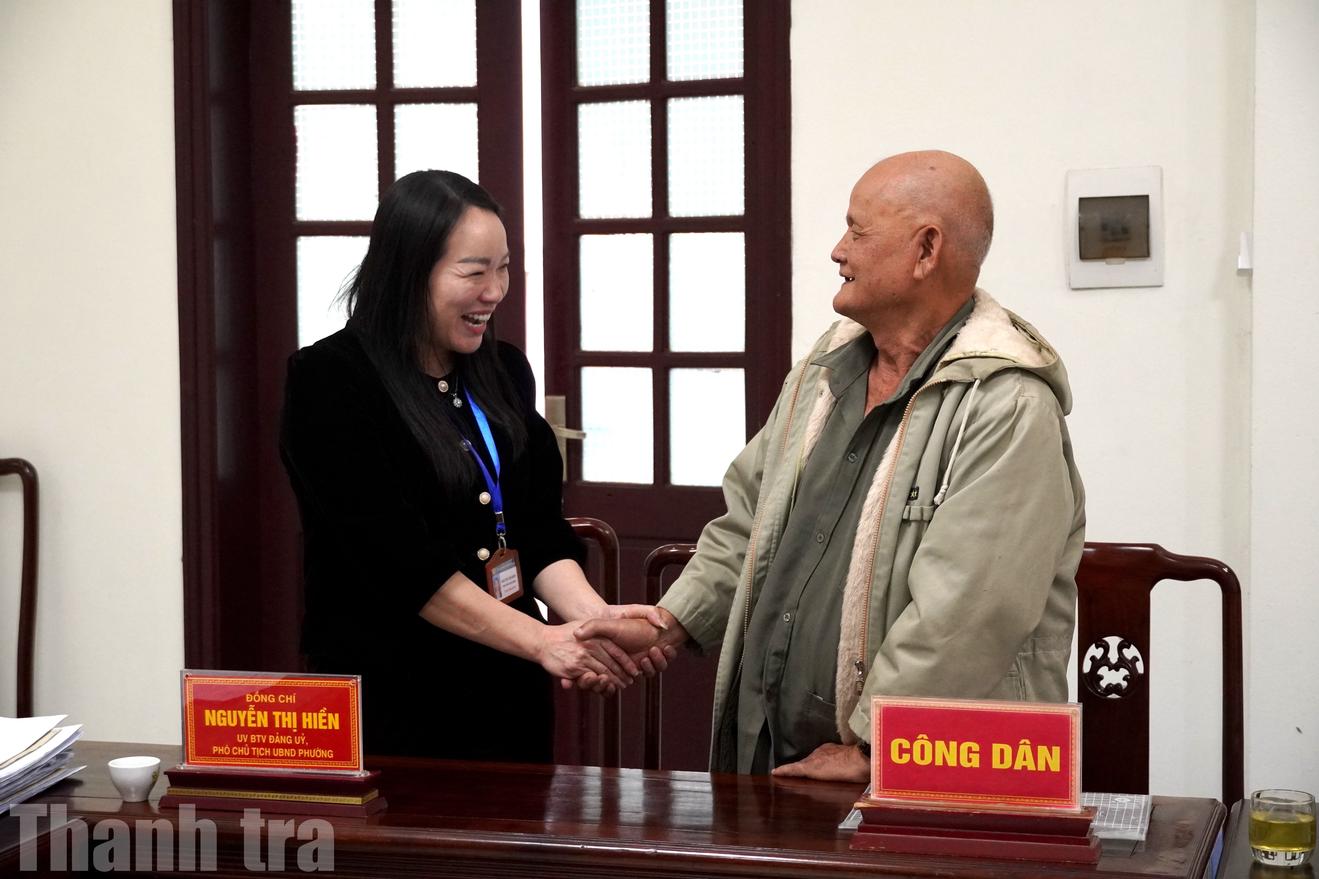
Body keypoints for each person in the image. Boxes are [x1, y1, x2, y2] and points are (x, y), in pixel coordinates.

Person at [577, 150, 1086, 782]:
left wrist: (876, 749)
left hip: (908, 773)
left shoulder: (1006, 405)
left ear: (926, 250)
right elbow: (749, 525)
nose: (838, 251)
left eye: (857, 231)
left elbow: (968, 614)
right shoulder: (825, 370)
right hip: (779, 753)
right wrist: (670, 624)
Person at [280, 170, 668, 761]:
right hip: (393, 698)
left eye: (504, 268)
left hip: (507, 689)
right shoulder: (330, 382)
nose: (495, 291)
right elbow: (400, 566)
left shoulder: (502, 369)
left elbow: (537, 529)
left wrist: (595, 623)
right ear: (408, 272)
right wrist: (543, 640)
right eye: (474, 271)